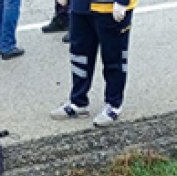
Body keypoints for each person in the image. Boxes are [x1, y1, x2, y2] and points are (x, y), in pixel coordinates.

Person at [50, 0, 135, 128]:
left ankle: (114, 104)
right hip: (80, 6)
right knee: (79, 57)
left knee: (113, 59)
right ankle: (78, 101)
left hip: (109, 7)